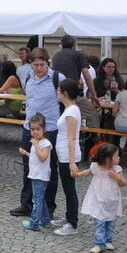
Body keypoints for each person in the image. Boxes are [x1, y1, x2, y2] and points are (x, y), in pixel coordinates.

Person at [10, 47, 62, 218]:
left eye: (41, 65)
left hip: (50, 130)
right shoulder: (28, 77)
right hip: (29, 128)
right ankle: (27, 204)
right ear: (30, 64)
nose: (39, 68)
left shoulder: (57, 78)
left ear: (47, 63)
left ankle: (48, 208)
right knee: (28, 166)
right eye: (35, 65)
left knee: (50, 168)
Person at [75, 142, 127, 253]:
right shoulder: (95, 167)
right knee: (99, 222)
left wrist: (117, 178)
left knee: (111, 222)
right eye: (116, 156)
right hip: (98, 199)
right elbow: (88, 172)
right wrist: (78, 174)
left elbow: (123, 183)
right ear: (108, 159)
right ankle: (99, 243)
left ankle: (108, 240)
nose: (119, 158)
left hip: (111, 200)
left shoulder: (117, 169)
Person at [53, 78, 83, 236]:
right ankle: (69, 217)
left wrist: (72, 162)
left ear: (64, 93)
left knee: (70, 190)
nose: (57, 92)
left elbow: (72, 138)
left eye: (59, 90)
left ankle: (72, 222)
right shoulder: (69, 109)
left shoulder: (71, 112)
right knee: (67, 189)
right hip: (64, 154)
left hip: (68, 156)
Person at [18, 113, 53, 231]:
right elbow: (36, 157)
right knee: (40, 199)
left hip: (40, 176)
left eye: (38, 129)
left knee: (37, 200)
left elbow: (43, 157)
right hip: (35, 175)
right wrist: (26, 153)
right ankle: (46, 220)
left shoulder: (45, 143)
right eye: (32, 129)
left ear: (44, 129)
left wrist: (36, 145)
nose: (35, 132)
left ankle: (34, 223)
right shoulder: (36, 142)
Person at [51, 34, 100, 108]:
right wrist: (94, 95)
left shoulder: (56, 56)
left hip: (58, 92)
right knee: (90, 111)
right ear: (74, 45)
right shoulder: (79, 55)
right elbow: (87, 77)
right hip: (72, 92)